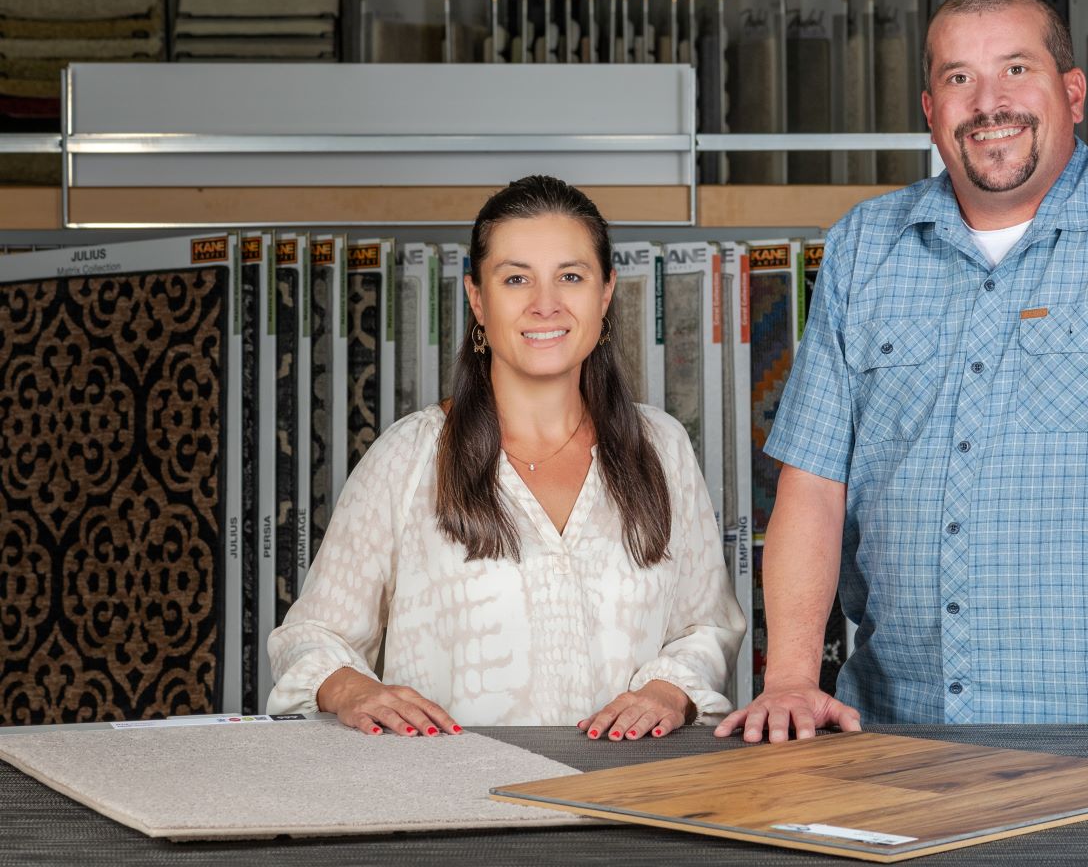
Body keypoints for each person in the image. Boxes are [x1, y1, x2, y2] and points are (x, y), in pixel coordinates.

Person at [718, 0, 1088, 752]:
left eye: (1016, 70)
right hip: (889, 736)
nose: (989, 102)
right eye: (959, 78)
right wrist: (790, 676)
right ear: (931, 109)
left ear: (1072, 92)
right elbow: (813, 482)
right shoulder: (864, 244)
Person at [269, 175, 744, 740]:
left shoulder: (661, 448)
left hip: (624, 796)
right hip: (453, 805)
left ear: (606, 293)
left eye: (571, 276)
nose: (546, 304)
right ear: (477, 297)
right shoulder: (409, 456)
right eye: (516, 278)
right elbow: (312, 634)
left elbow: (706, 626)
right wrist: (355, 689)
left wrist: (668, 691)